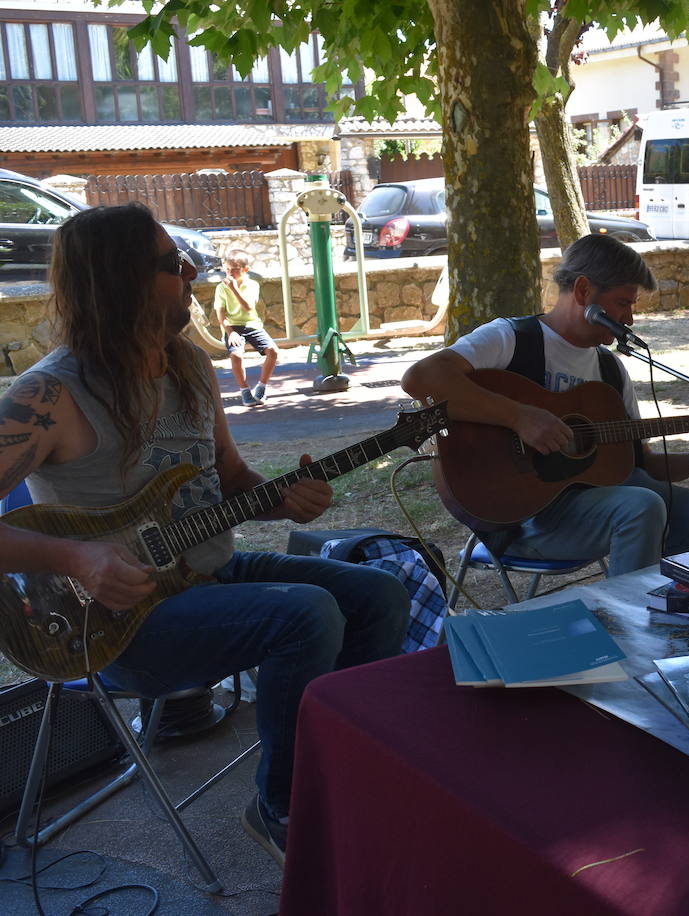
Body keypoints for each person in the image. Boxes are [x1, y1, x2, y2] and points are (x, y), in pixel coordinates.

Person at [0, 204, 409, 866]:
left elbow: (229, 480)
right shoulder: (50, 396)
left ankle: (337, 769)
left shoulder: (188, 366)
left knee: (380, 595)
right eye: (173, 264)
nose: (192, 274)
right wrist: (78, 555)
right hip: (118, 623)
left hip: (210, 577)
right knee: (305, 615)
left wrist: (285, 501)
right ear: (117, 280)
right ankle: (284, 806)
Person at [402, 234, 689, 577]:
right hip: (522, 518)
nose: (629, 319)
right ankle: (631, 622)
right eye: (623, 303)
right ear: (583, 291)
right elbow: (420, 379)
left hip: (596, 504)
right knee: (640, 506)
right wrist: (519, 417)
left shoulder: (609, 369)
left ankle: (673, 606)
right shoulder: (511, 339)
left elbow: (644, 465)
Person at [214, 248, 279, 407]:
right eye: (227, 269)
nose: (230, 274)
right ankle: (244, 390)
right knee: (236, 355)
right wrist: (230, 333)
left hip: (252, 324)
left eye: (234, 270)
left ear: (245, 270)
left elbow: (249, 307)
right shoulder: (221, 288)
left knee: (273, 351)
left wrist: (234, 289)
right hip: (232, 326)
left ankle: (262, 386)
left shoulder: (252, 284)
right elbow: (221, 314)